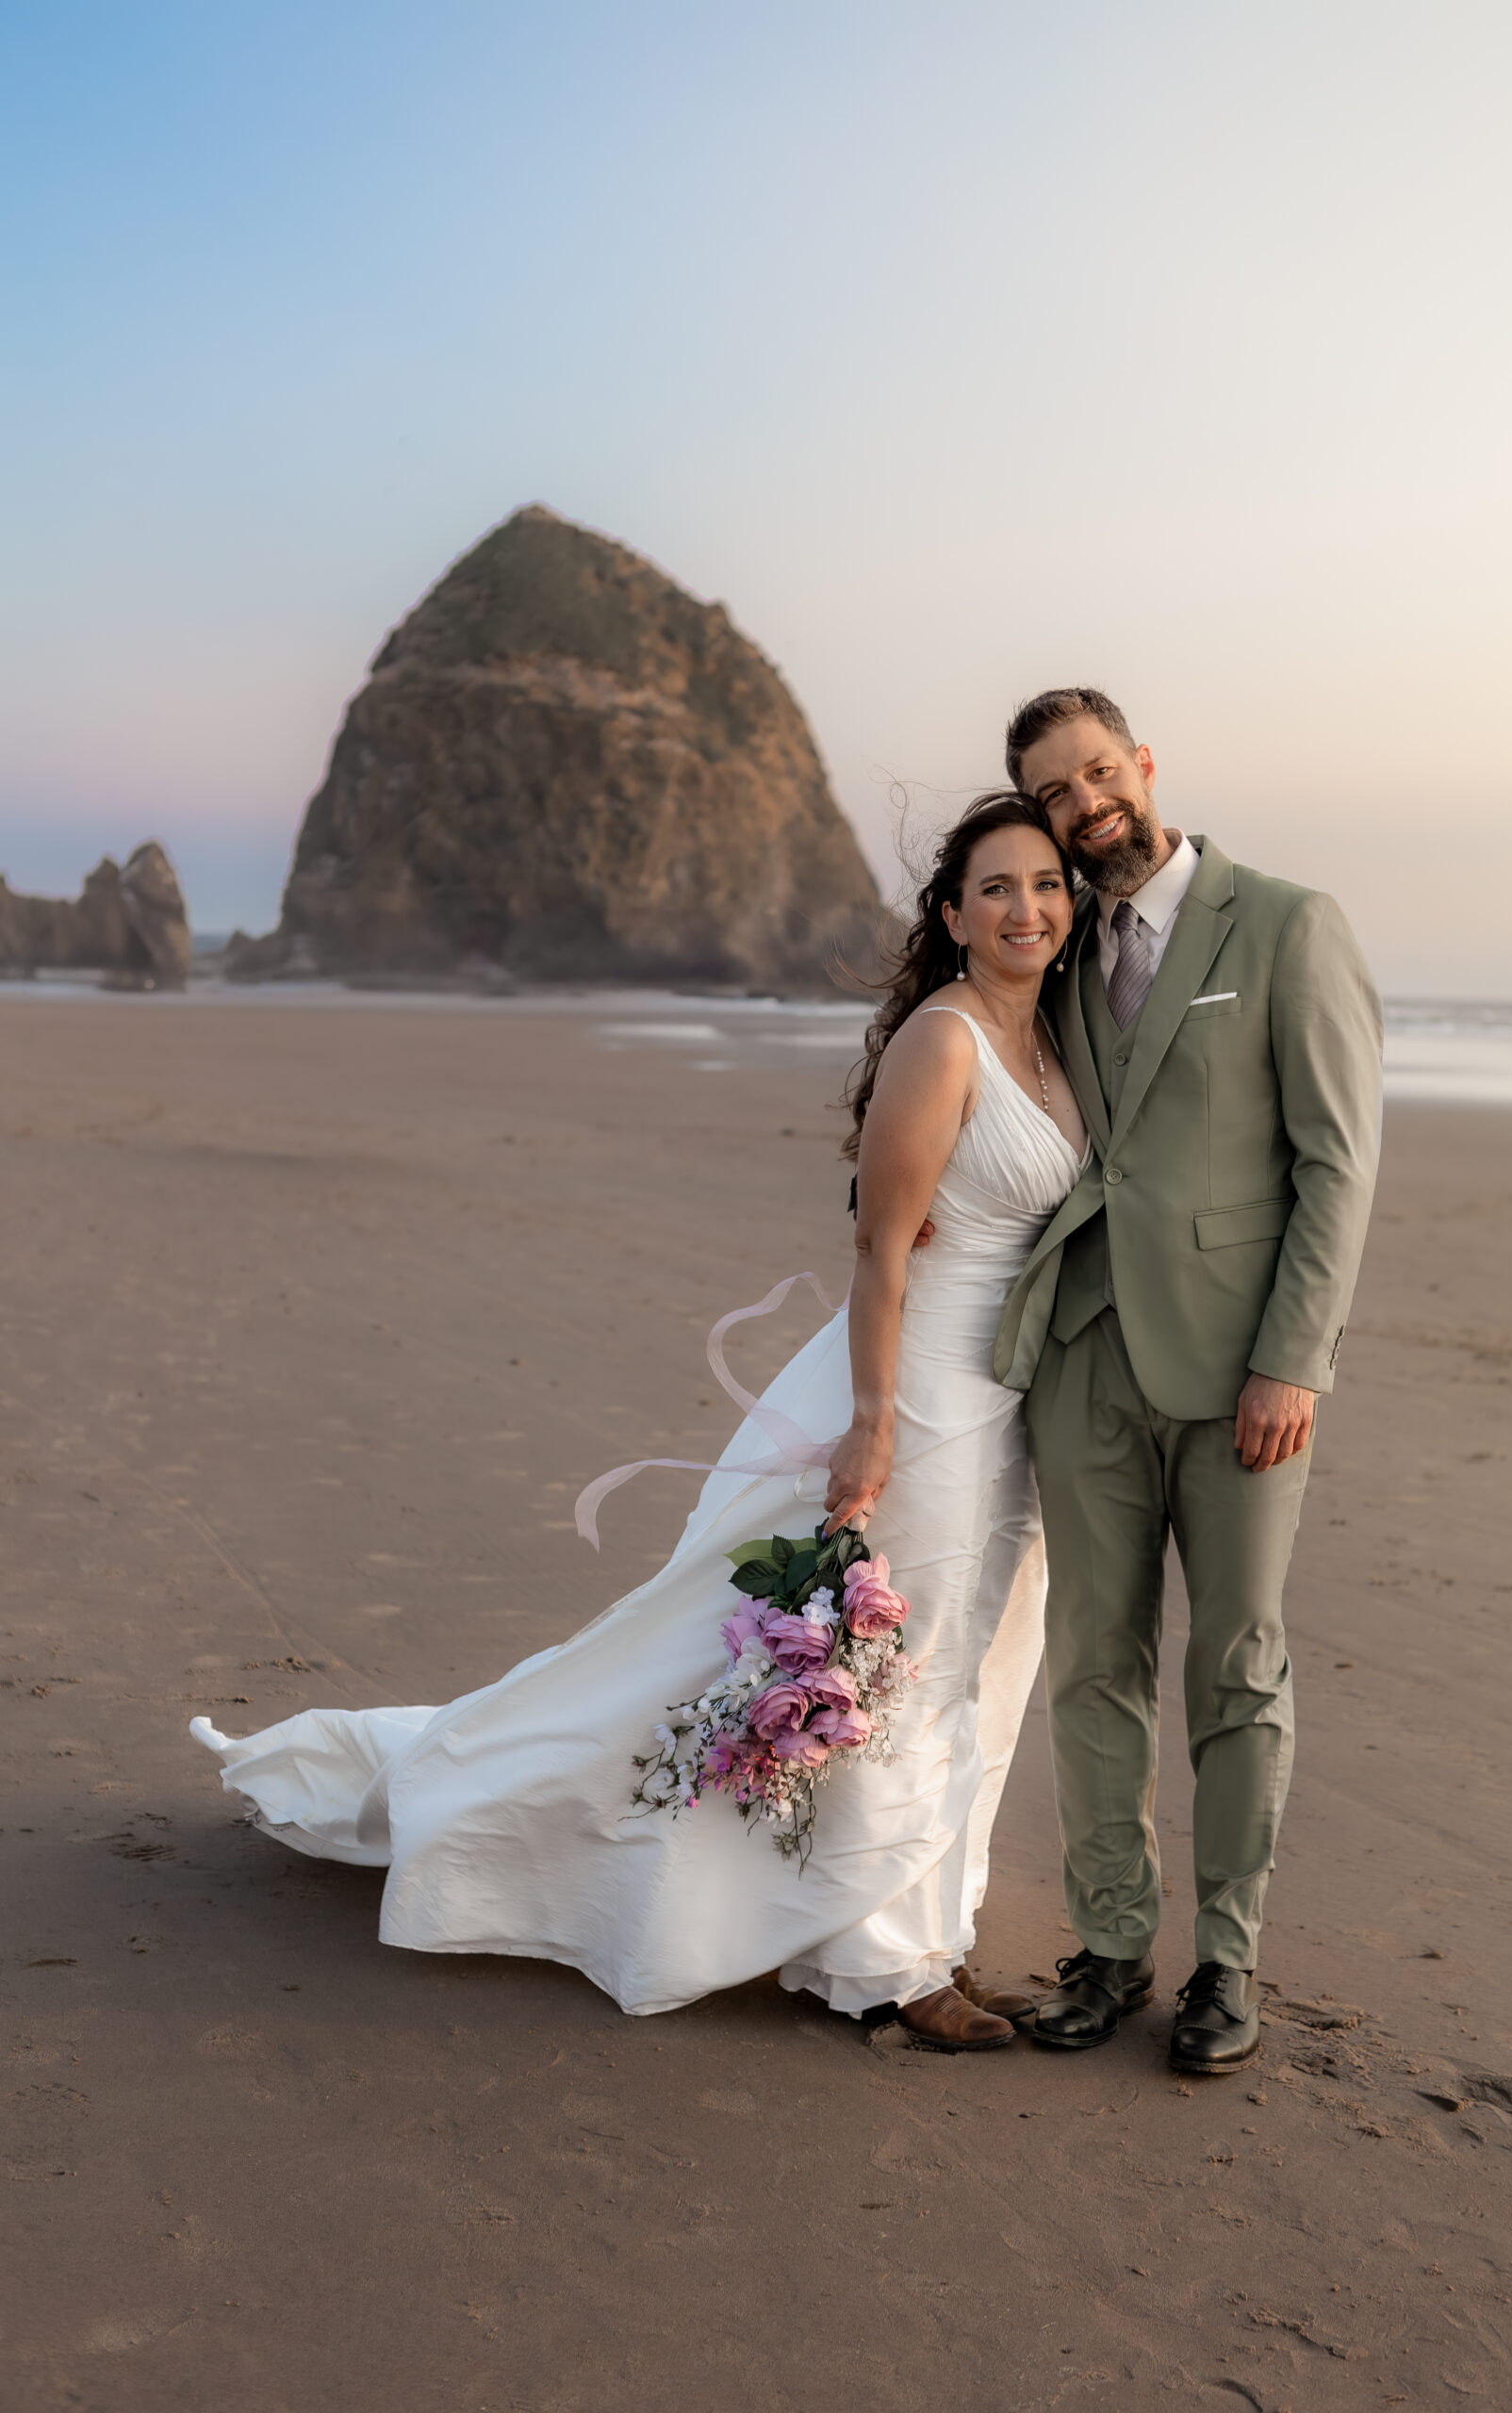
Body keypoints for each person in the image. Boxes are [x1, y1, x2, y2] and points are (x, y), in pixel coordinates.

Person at [192, 795, 1092, 2049]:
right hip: (931, 1386)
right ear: (951, 915)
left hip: (1021, 1404)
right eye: (995, 888)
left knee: (981, 1664)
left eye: (1046, 885)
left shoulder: (1060, 1042)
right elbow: (880, 1249)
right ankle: (886, 1966)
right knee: (908, 1665)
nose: (1025, 909)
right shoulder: (945, 1044)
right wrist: (874, 1421)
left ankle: (931, 1922)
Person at [991, 687, 1383, 2074]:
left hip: (1240, 1377)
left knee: (1235, 1663)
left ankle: (1228, 1961)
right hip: (1087, 1361)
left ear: (1145, 767)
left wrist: (1295, 1359)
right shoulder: (1053, 943)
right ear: (1039, 815)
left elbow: (1337, 1162)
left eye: (1099, 771)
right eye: (1056, 789)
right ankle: (1108, 1944)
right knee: (1092, 1663)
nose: (1086, 800)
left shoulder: (1283, 924)